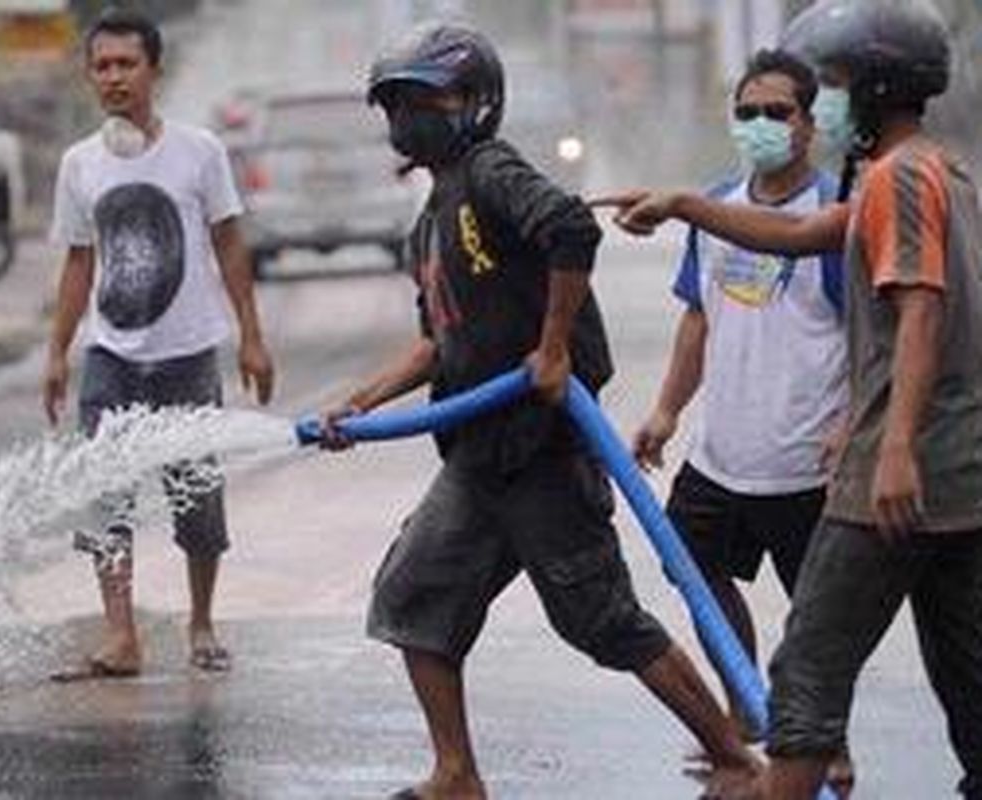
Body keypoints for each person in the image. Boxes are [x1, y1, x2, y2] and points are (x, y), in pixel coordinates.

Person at [319, 23, 759, 800]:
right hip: (477, 455)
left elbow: (569, 227)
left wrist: (553, 349)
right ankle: (455, 774)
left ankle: (733, 759)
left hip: (543, 450)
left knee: (603, 621)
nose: (407, 118)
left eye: (424, 100)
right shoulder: (432, 214)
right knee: (414, 597)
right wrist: (359, 402)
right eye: (396, 103)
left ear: (474, 104)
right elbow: (438, 342)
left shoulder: (490, 170)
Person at [599, 2, 982, 797]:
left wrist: (895, 444)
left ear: (875, 89)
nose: (825, 102)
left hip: (892, 472)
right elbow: (802, 236)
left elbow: (919, 305)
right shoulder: (931, 173)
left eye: (833, 86)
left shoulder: (902, 179)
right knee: (968, 675)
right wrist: (685, 205)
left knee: (805, 672)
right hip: (959, 480)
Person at [631, 48, 854, 791]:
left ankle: (825, 743)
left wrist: (853, 422)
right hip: (721, 454)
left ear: (810, 124)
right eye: (748, 113)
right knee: (695, 574)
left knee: (819, 617)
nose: (761, 125)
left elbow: (870, 338)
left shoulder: (835, 218)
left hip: (805, 460)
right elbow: (699, 318)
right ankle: (744, 711)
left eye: (777, 112)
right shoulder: (717, 208)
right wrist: (665, 411)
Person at [43, 8, 274, 678]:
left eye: (126, 64)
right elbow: (79, 262)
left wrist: (251, 338)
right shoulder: (78, 164)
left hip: (188, 356)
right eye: (102, 66)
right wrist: (58, 352)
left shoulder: (199, 151)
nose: (113, 77)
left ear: (154, 70)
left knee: (197, 500)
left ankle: (202, 622)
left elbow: (230, 242)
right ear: (90, 75)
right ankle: (122, 636)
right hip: (111, 358)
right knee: (105, 498)